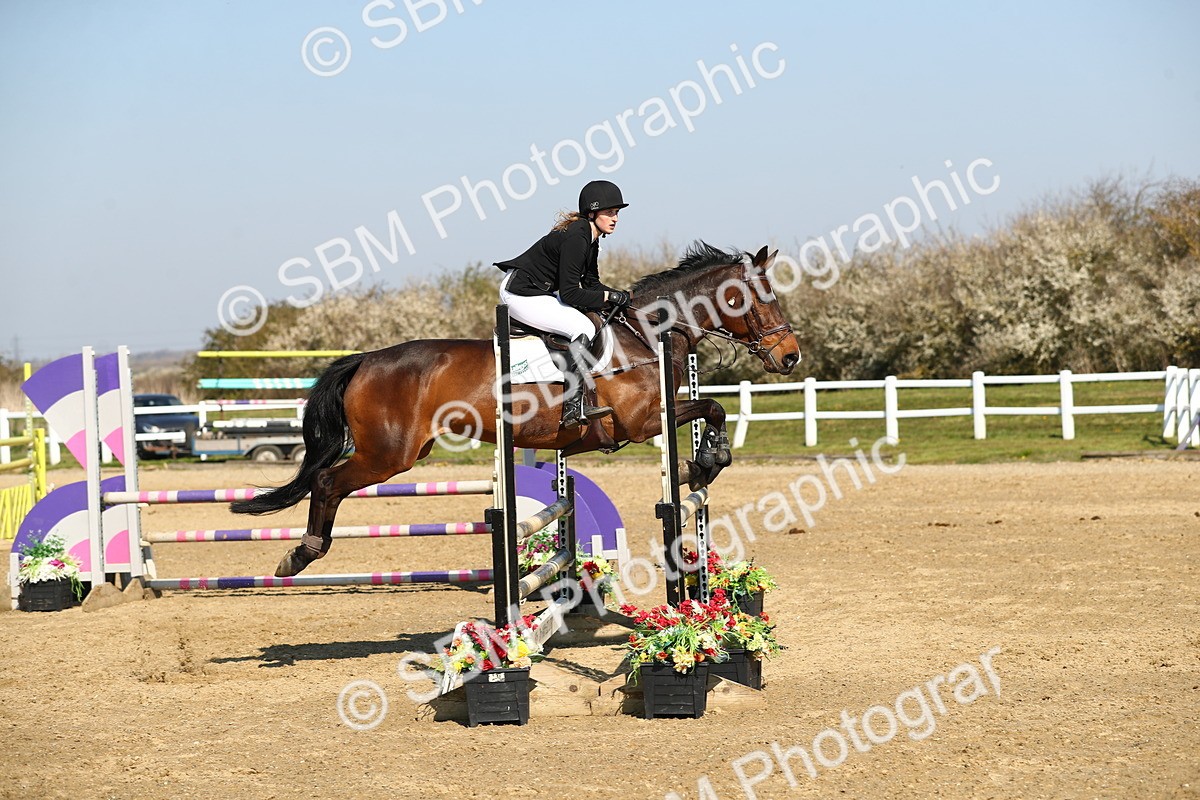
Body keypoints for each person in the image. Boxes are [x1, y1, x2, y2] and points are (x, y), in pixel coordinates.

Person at [494, 180, 633, 428]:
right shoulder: (577, 237)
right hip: (520, 294)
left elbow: (590, 284)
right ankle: (572, 407)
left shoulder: (591, 237)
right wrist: (607, 298)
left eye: (617, 213)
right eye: (610, 212)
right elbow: (570, 294)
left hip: (539, 292)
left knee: (589, 319)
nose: (615, 218)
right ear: (592, 213)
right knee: (583, 327)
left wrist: (619, 296)